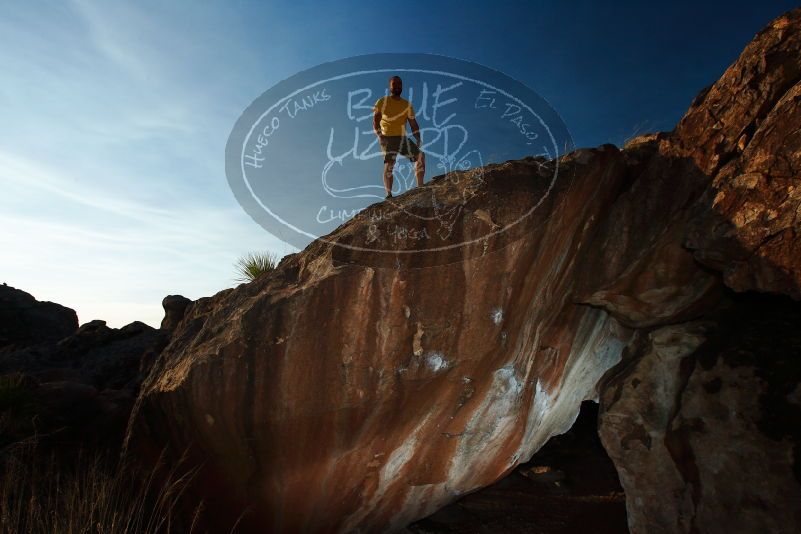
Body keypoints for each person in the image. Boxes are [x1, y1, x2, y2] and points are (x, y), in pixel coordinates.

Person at [372, 75, 425, 199]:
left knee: (420, 156)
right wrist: (379, 135)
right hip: (387, 137)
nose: (397, 86)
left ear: (402, 86)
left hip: (402, 137)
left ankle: (421, 187)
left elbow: (413, 123)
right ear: (390, 86)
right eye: (394, 84)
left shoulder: (407, 105)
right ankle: (388, 194)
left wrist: (417, 138)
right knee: (390, 163)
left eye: (399, 84)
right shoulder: (382, 101)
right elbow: (375, 120)